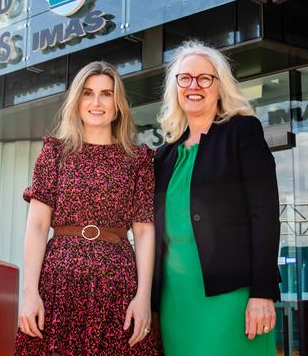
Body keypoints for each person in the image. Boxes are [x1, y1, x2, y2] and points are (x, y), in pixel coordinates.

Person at [14, 61, 161, 355]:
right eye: (88, 93)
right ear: (76, 101)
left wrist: (143, 297)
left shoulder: (138, 159)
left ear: (117, 104)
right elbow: (38, 225)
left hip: (118, 287)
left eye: (106, 94)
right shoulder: (54, 152)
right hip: (58, 284)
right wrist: (30, 293)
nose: (96, 102)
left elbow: (144, 231)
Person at [152, 40, 281, 355]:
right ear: (175, 88)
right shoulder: (164, 155)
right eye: (185, 78)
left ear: (219, 86)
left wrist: (262, 293)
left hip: (231, 295)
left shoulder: (242, 132)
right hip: (176, 297)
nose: (194, 86)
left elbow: (265, 215)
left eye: (204, 78)